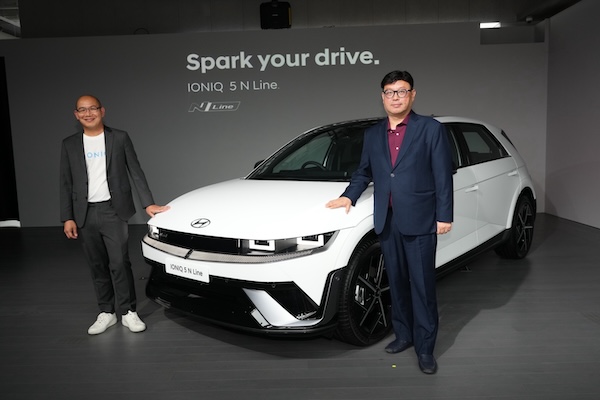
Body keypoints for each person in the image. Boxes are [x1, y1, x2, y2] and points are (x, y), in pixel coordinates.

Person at [326, 71, 453, 374]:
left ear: (412, 94)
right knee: (395, 283)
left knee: (422, 287)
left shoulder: (430, 129)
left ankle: (425, 349)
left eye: (401, 91)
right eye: (389, 92)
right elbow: (364, 172)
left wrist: (444, 215)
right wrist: (349, 196)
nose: (395, 97)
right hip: (387, 220)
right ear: (382, 96)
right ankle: (404, 335)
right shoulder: (373, 134)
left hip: (420, 219)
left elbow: (442, 175)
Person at [60, 95, 170, 335]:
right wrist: (67, 217)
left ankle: (128, 312)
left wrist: (148, 203)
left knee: (119, 262)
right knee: (97, 265)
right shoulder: (69, 144)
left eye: (92, 108)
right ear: (76, 115)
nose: (88, 113)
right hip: (84, 213)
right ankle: (106, 312)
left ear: (102, 111)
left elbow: (135, 171)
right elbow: (66, 182)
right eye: (82, 110)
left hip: (113, 210)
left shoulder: (119, 138)